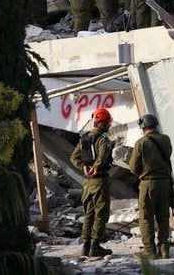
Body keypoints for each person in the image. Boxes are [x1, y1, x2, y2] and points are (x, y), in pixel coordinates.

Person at [70, 107, 114, 257]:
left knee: (88, 213)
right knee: (101, 213)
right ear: (101, 123)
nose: (109, 125)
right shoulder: (103, 140)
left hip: (87, 183)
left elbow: (74, 157)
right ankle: (95, 245)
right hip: (100, 182)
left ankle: (86, 245)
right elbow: (102, 157)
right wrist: (96, 168)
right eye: (107, 123)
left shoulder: (84, 138)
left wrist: (83, 167)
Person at [129, 113, 173, 260]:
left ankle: (150, 251)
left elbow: (134, 167)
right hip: (165, 182)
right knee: (163, 216)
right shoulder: (166, 139)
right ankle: (164, 249)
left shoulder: (141, 143)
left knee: (146, 218)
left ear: (143, 126)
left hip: (148, 183)